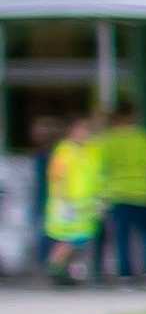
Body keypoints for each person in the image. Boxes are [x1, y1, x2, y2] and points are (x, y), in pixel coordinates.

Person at [92, 106, 146, 283]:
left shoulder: (108, 140)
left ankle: (125, 274)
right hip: (143, 192)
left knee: (122, 237)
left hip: (118, 193)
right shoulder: (144, 138)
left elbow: (100, 166)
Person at [33, 113, 96, 288]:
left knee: (77, 239)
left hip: (81, 204)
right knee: (68, 239)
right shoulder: (65, 151)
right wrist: (63, 199)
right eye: (83, 130)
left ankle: (63, 271)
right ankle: (54, 268)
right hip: (68, 203)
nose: (86, 133)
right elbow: (57, 176)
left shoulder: (84, 151)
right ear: (73, 131)